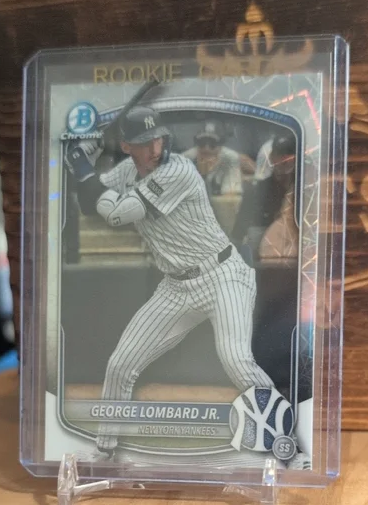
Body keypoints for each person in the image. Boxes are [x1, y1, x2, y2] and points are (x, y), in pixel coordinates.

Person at [65, 106, 278, 459]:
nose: (155, 149)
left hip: (223, 275)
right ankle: (105, 452)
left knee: (236, 360)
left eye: (158, 139)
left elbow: (116, 214)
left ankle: (282, 439)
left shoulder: (178, 170)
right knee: (120, 364)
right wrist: (80, 163)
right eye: (144, 142)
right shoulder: (127, 170)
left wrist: (84, 168)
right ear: (127, 146)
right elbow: (91, 203)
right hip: (177, 287)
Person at [231, 132, 298, 263]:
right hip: (263, 264)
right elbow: (237, 235)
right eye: (279, 154)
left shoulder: (306, 191)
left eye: (289, 155)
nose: (284, 160)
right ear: (272, 158)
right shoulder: (257, 192)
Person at [183, 120, 255, 195]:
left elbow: (231, 195)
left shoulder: (230, 158)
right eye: (202, 143)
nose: (206, 148)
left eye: (212, 143)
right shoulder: (185, 159)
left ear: (220, 146)